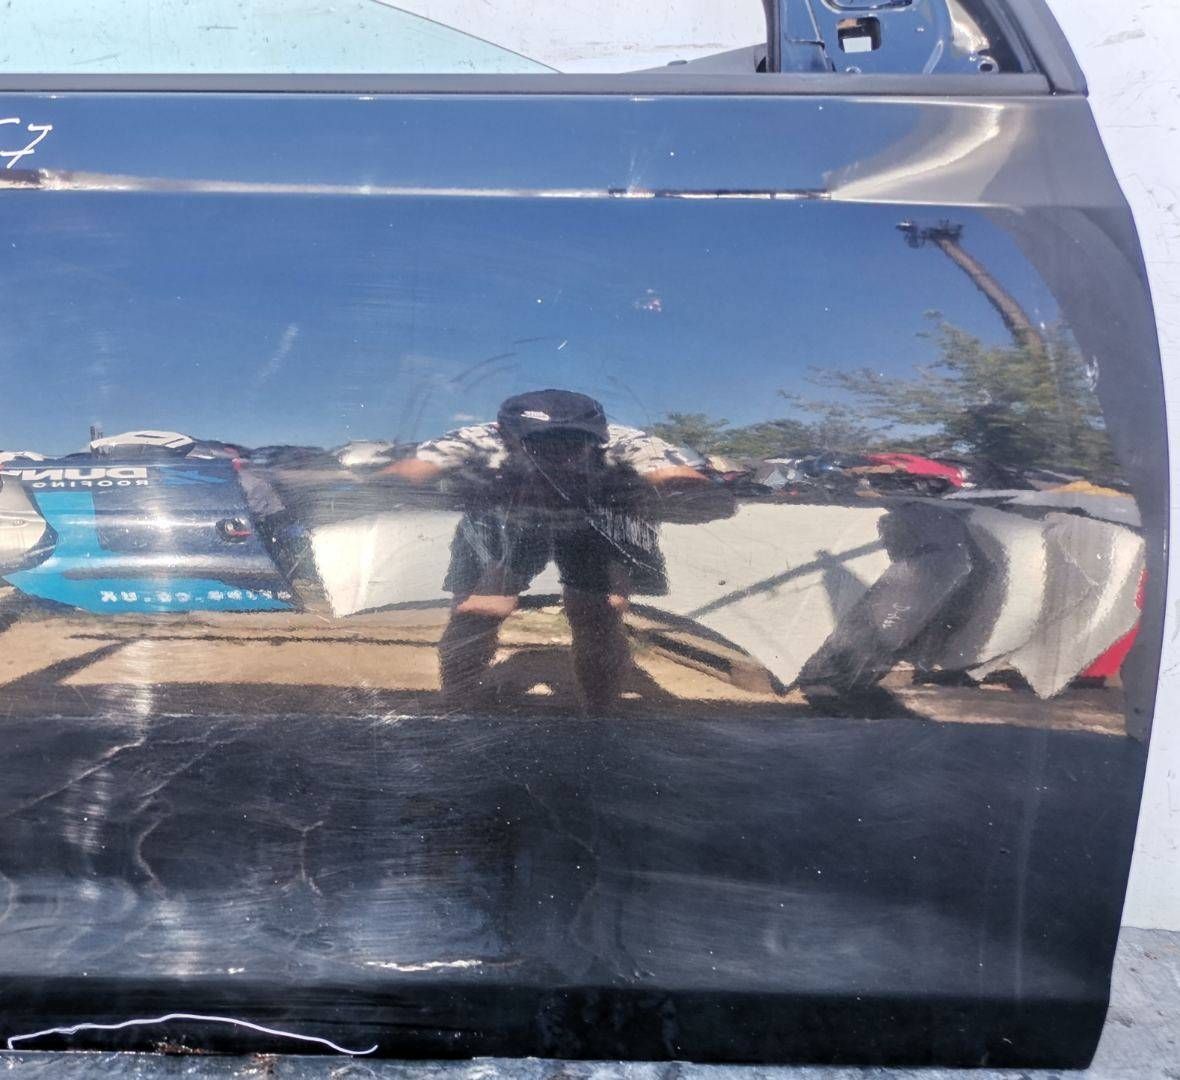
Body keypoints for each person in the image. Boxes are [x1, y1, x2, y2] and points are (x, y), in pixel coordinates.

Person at [382, 389, 713, 712]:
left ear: (598, 438)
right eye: (540, 445)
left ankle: (601, 717)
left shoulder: (628, 443)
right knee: (478, 610)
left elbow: (689, 486)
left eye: (573, 444)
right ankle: (457, 706)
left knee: (598, 613)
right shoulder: (475, 440)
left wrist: (675, 494)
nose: (559, 457)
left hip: (595, 518)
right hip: (509, 516)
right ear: (506, 438)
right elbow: (398, 478)